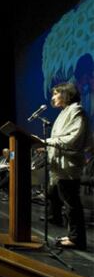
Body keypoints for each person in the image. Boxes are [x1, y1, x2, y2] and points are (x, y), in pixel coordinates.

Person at [45, 83, 91, 250]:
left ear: (66, 94)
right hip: (61, 167)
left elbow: (73, 139)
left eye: (56, 93)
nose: (52, 97)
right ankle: (73, 236)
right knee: (68, 204)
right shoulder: (65, 112)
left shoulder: (76, 110)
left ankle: (77, 239)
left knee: (72, 205)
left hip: (69, 167)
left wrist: (46, 141)